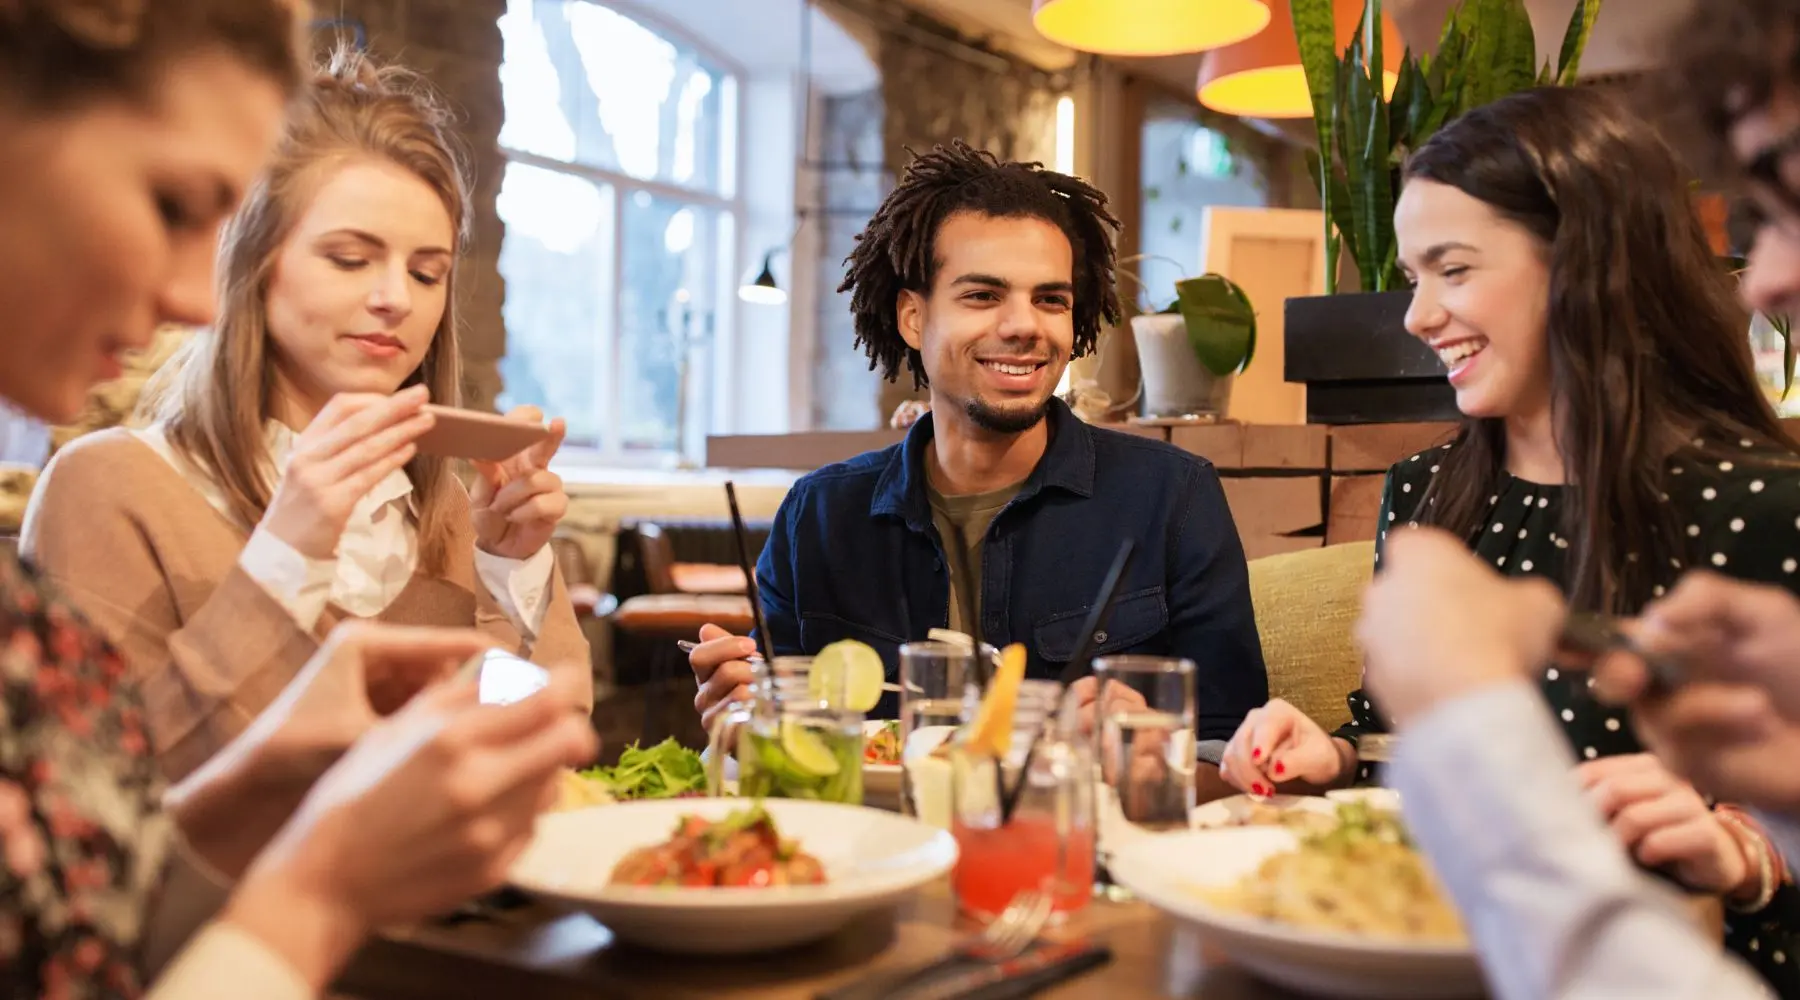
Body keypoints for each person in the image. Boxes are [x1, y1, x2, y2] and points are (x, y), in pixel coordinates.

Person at [0, 2, 597, 998]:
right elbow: (110, 833)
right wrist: (285, 552)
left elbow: (550, 741)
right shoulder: (112, 482)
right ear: (258, 261)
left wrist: (511, 567)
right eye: (351, 257)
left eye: (426, 271)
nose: (394, 300)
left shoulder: (444, 498)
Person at [1212, 85, 1800, 993]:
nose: (1415, 315)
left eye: (1453, 269)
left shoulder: (1761, 506)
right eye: (1413, 277)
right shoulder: (1425, 491)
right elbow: (1395, 740)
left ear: (1586, 264)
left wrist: (1748, 854)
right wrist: (1326, 753)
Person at [688, 141, 1268, 744]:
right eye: (983, 296)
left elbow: (1234, 751)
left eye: (1050, 299)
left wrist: (1150, 744)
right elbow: (779, 732)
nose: (1023, 325)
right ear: (914, 318)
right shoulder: (819, 517)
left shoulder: (1173, 498)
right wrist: (737, 711)